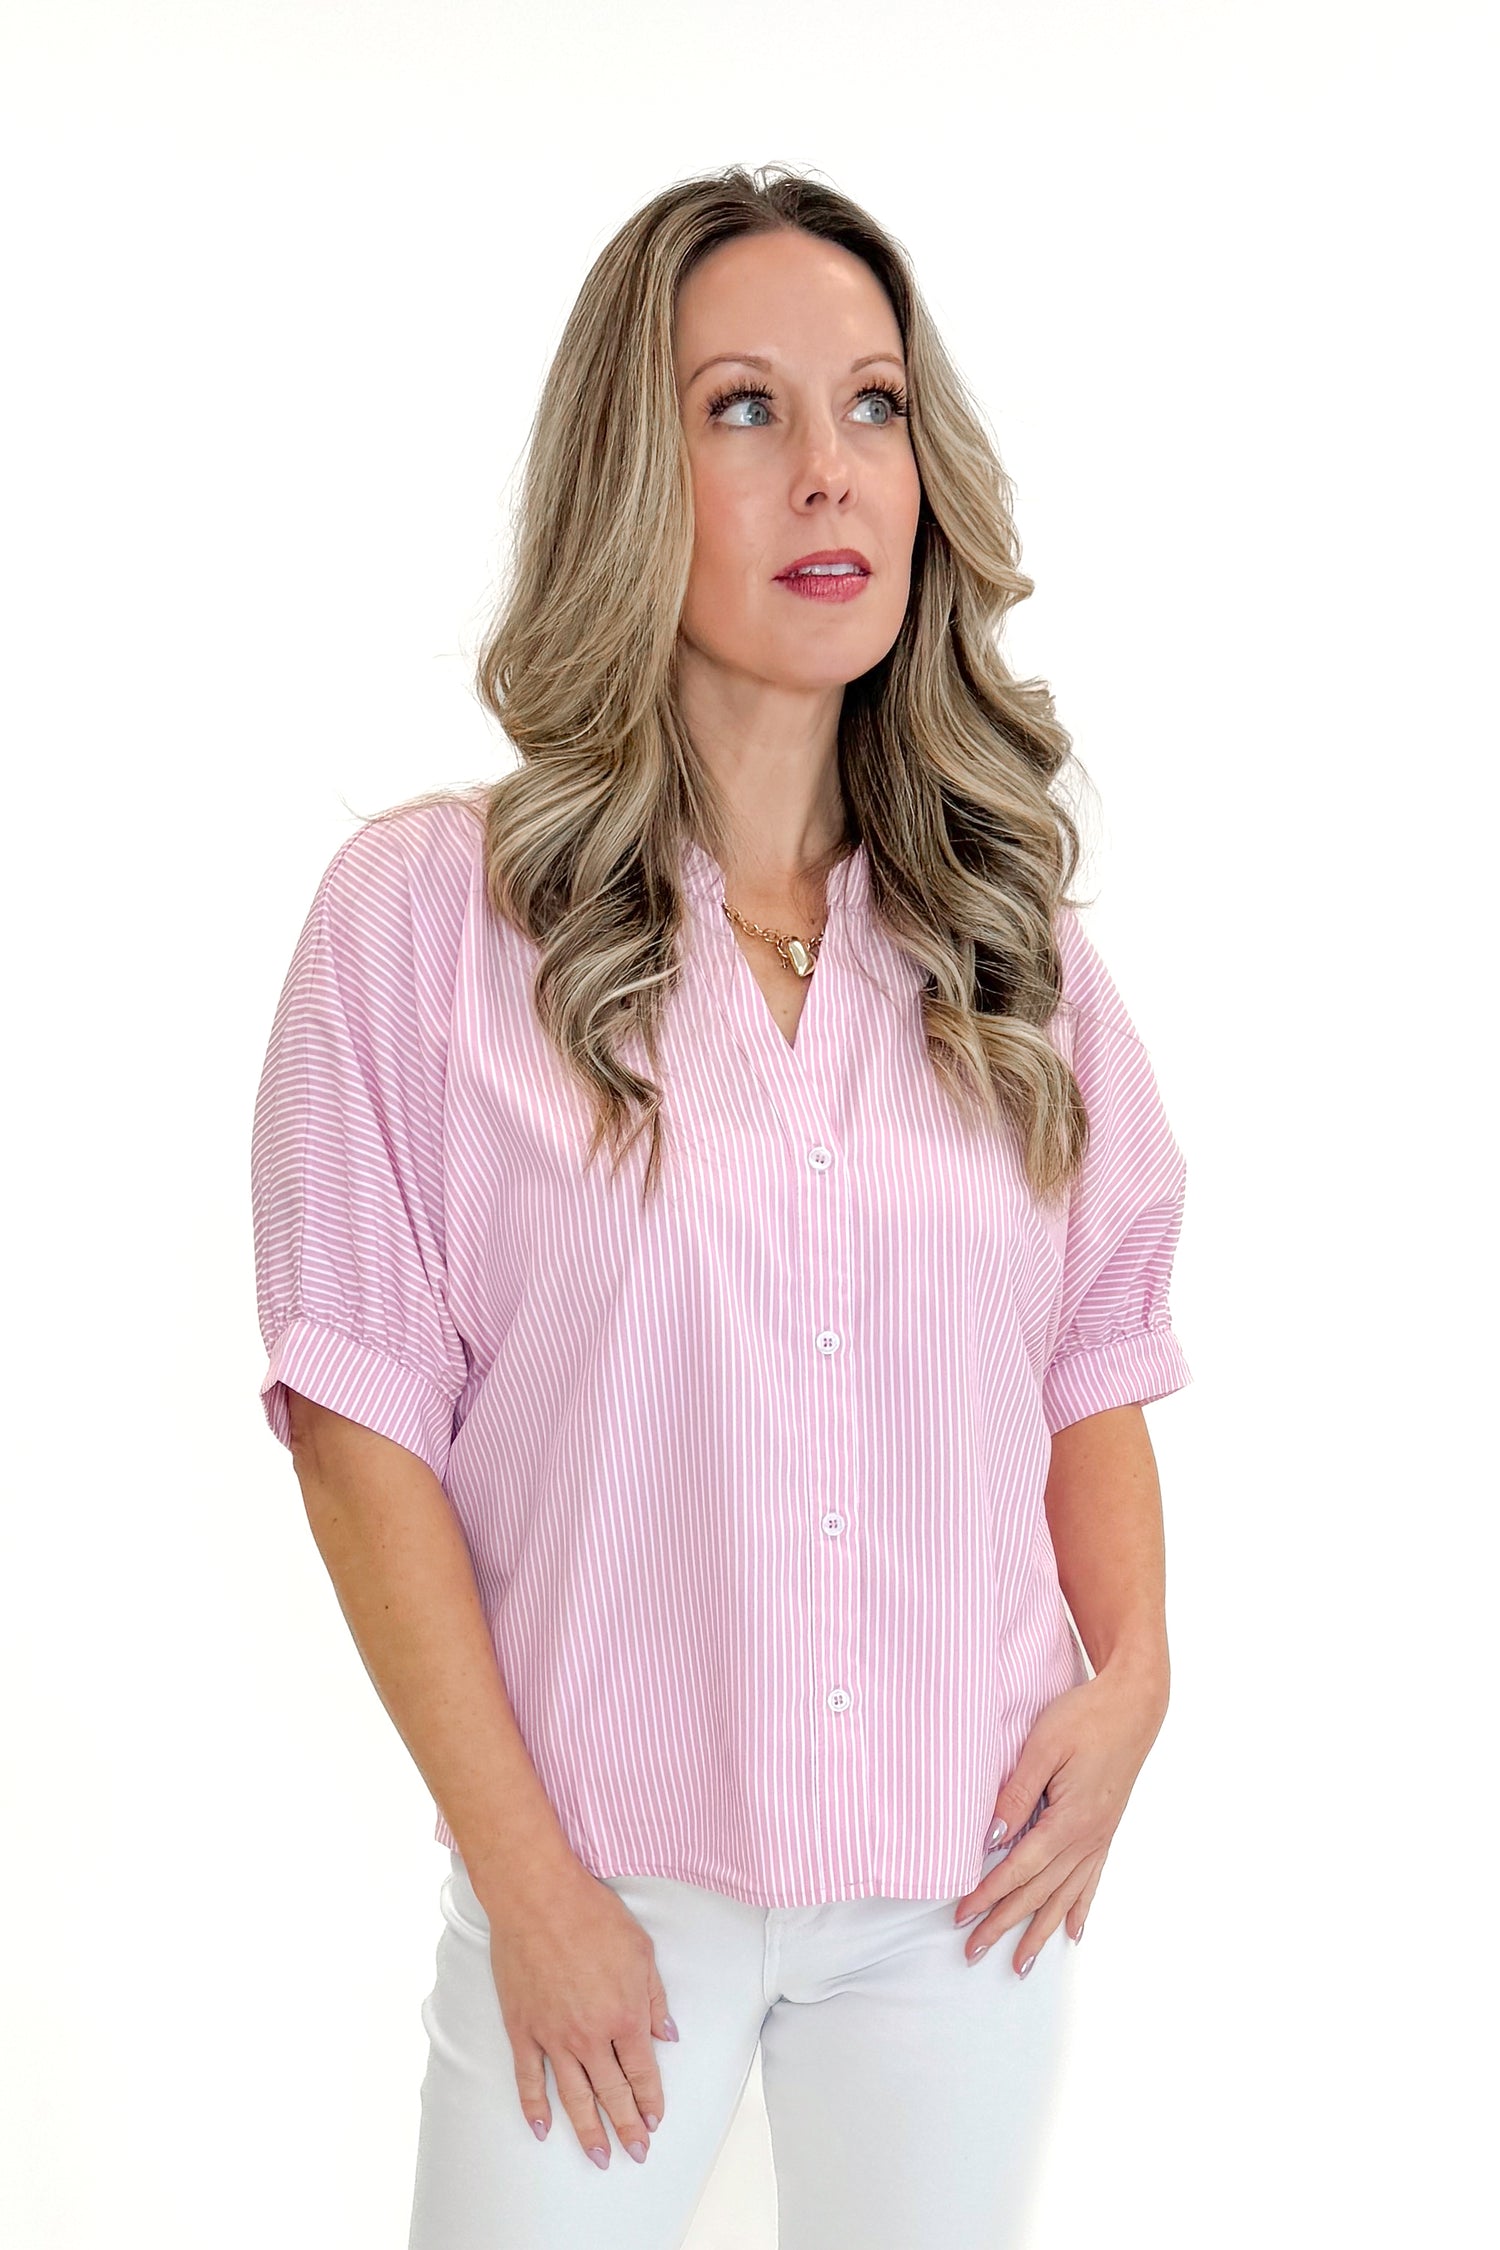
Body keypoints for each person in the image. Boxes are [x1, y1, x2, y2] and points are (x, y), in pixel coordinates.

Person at [250, 162, 1194, 2250]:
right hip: (601, 1892)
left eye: (872, 405)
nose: (828, 472)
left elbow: (1094, 1349)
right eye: (743, 408)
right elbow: (355, 1424)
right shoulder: (425, 925)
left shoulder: (1010, 948)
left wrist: (1136, 1680)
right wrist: (527, 1889)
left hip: (964, 1895)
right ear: (632, 475)